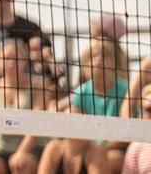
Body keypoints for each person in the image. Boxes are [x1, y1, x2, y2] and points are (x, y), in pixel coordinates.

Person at [38, 39, 130, 174]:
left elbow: (129, 133)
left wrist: (100, 146)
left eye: (104, 56)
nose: (98, 60)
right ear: (86, 63)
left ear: (113, 61)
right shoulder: (82, 91)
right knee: (56, 147)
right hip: (86, 146)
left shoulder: (125, 90)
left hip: (116, 147)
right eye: (93, 56)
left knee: (107, 158)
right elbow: (71, 121)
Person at [0, 37, 45, 174]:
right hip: (0, 149)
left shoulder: (38, 85)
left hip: (31, 148)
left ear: (25, 60)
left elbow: (38, 122)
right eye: (6, 58)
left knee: (21, 164)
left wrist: (22, 152)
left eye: (16, 58)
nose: (12, 63)